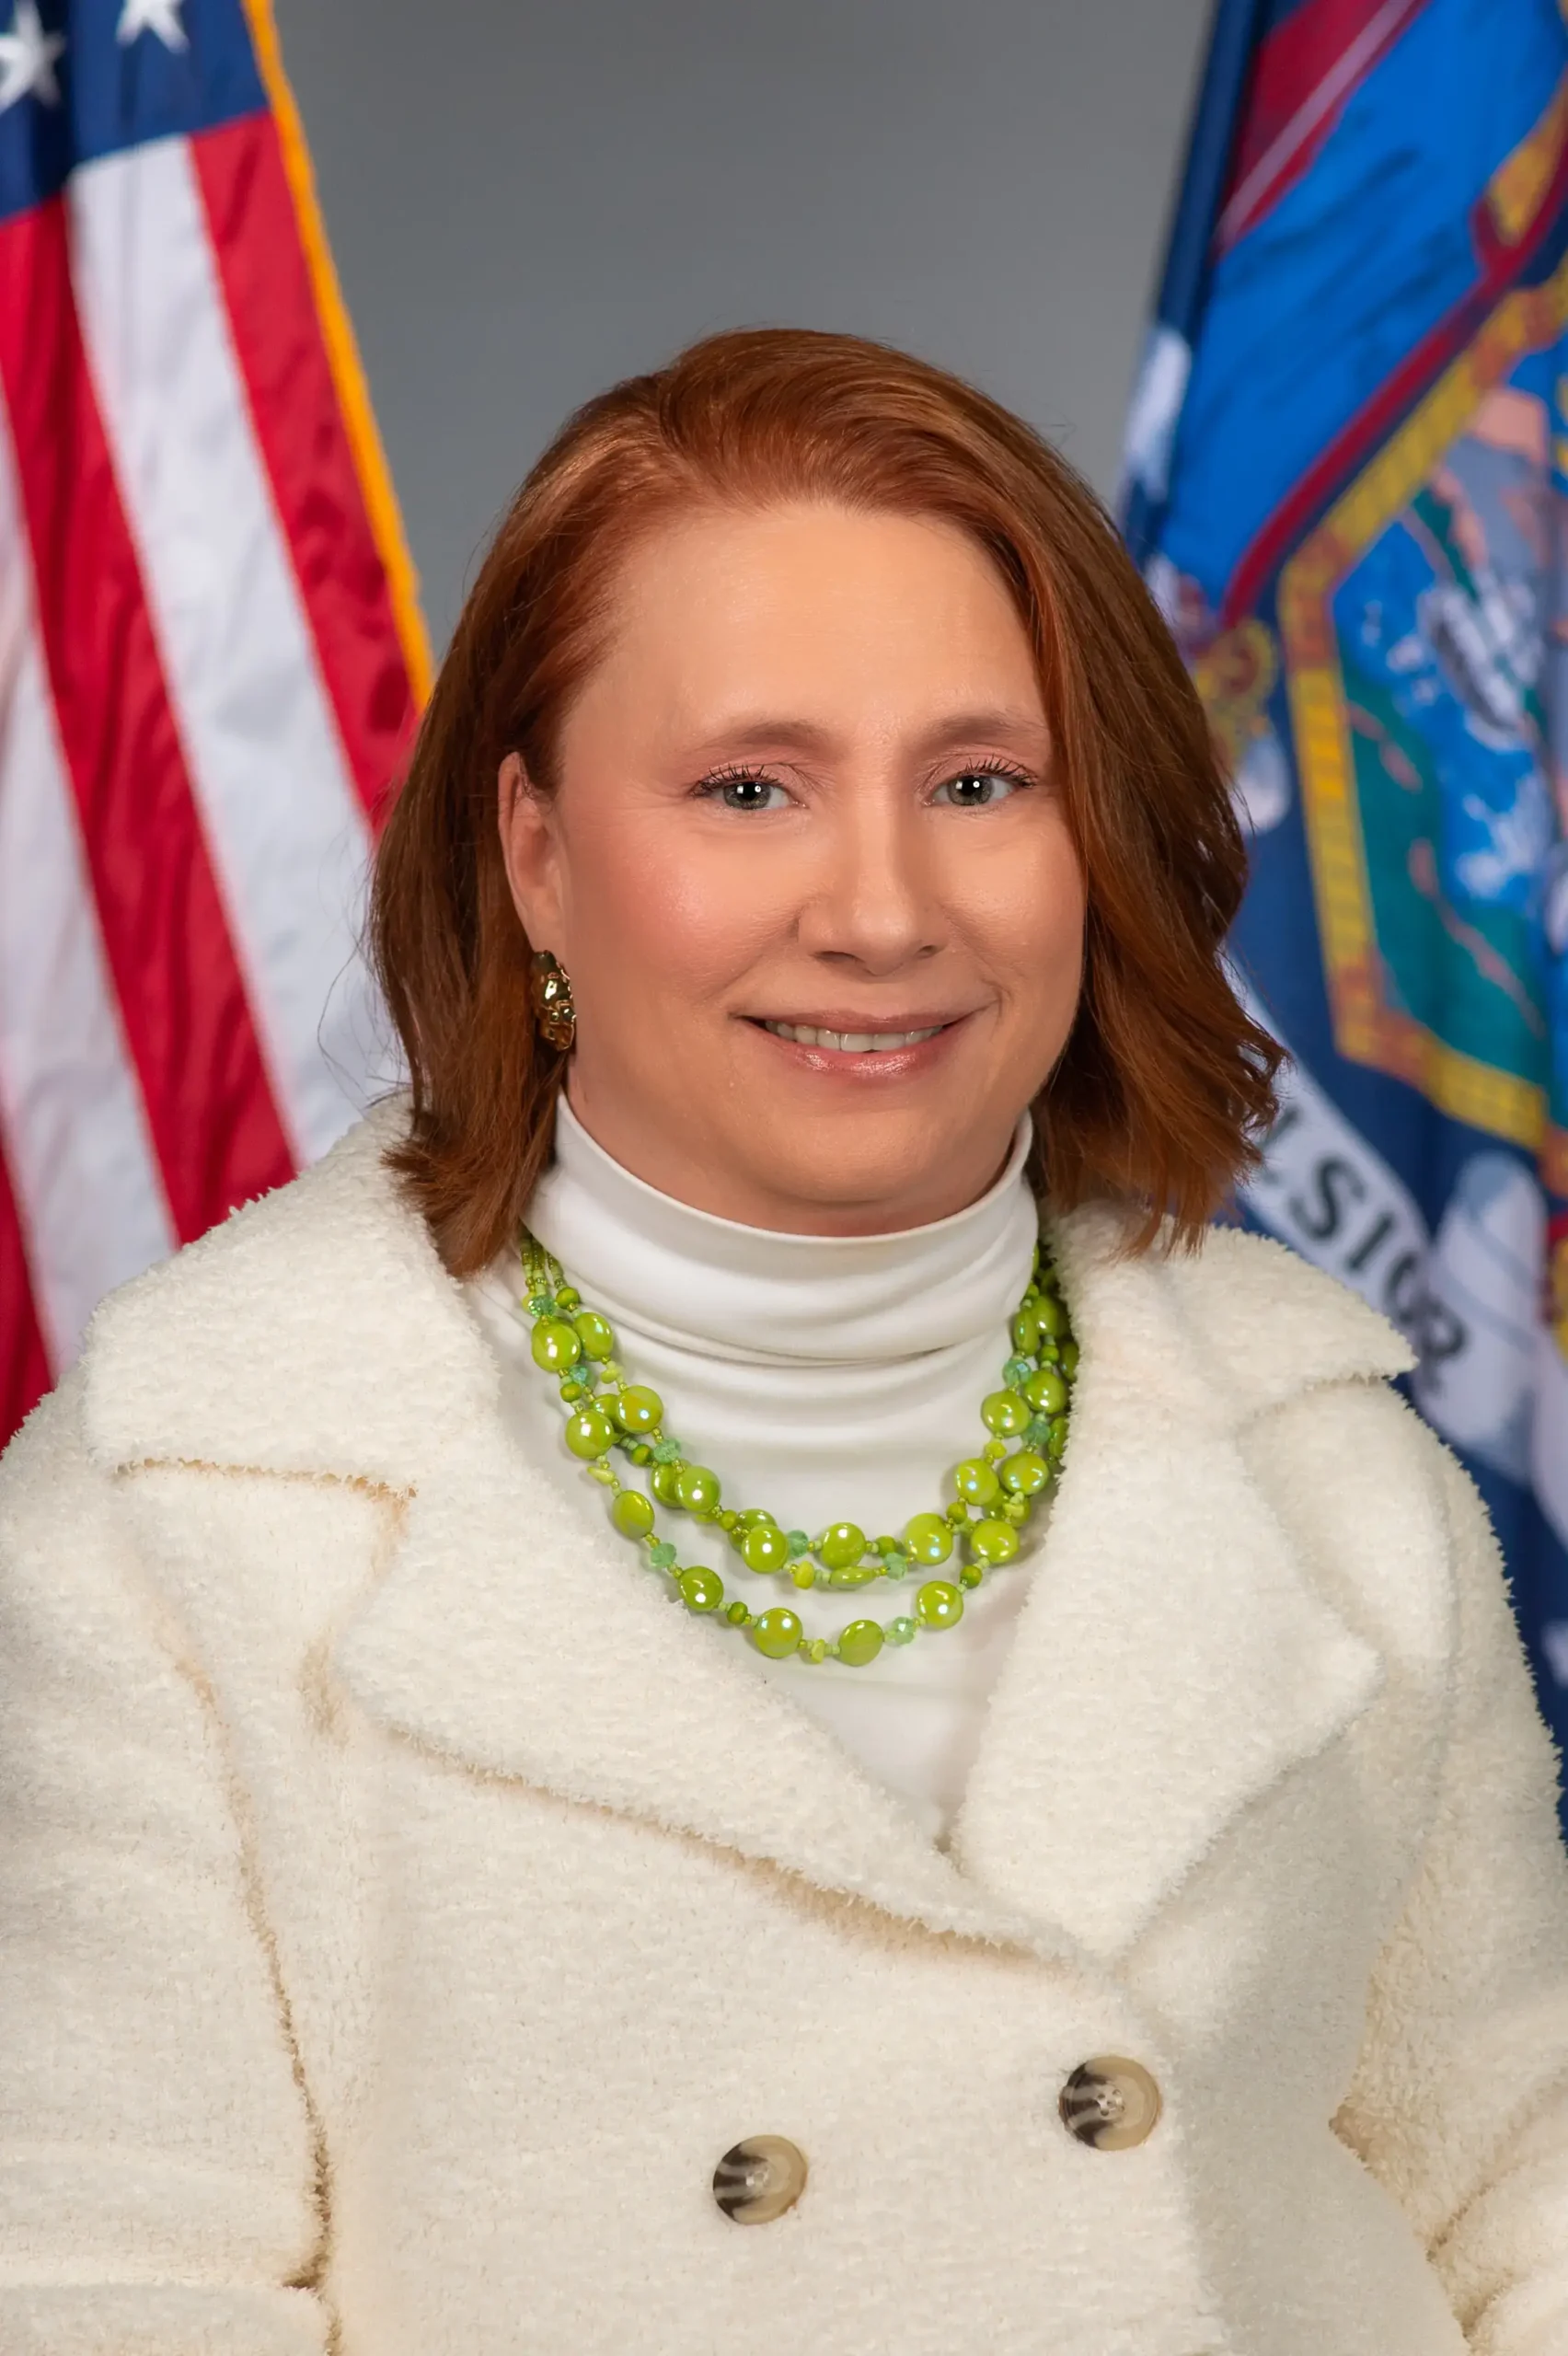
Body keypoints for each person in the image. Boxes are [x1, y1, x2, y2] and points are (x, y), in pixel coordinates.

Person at [2, 328, 1565, 2356]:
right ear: (539, 851)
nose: (885, 908)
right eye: (751, 787)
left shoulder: (1330, 1451)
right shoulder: (180, 1498)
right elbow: (101, 2289)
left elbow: (1522, 2199)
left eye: (981, 782)